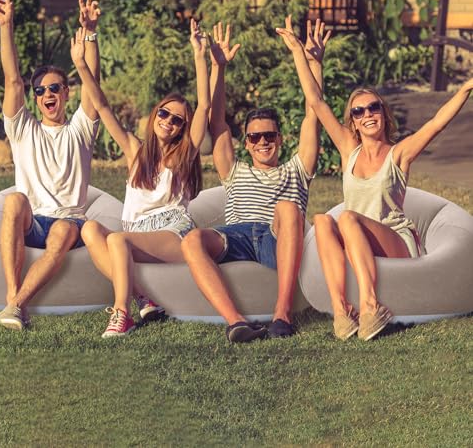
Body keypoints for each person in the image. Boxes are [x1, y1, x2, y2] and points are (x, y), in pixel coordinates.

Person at [276, 18, 473, 341]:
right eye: (359, 111)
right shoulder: (348, 150)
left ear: (383, 113)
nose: (367, 114)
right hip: (357, 237)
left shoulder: (399, 154)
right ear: (353, 122)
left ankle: (370, 305)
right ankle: (342, 311)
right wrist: (300, 53)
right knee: (323, 220)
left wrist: (465, 88)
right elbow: (316, 101)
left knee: (348, 218)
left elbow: (436, 124)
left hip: (396, 242)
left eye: (373, 108)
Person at [181, 19, 330, 343]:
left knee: (288, 208)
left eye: (269, 136)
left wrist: (312, 62)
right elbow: (217, 121)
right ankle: (236, 322)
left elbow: (314, 114)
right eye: (254, 137)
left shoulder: (297, 169)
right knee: (191, 240)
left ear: (280, 139)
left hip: (276, 238)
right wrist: (219, 67)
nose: (262, 142)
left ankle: (282, 314)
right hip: (235, 236)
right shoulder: (234, 170)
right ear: (246, 143)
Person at [70, 19, 210, 338]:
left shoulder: (184, 154)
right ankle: (144, 298)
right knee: (90, 229)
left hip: (172, 231)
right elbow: (101, 105)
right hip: (137, 233)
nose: (169, 121)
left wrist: (199, 55)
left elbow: (204, 106)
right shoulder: (135, 150)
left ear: (183, 128)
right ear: (155, 113)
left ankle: (122, 314)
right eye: (164, 113)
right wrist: (80, 64)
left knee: (117, 239)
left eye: (177, 120)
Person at [0, 0, 102, 330]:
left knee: (62, 231)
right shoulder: (23, 129)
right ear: (36, 98)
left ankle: (16, 305)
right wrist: (6, 25)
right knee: (13, 200)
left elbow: (94, 84)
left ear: (66, 93)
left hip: (69, 221)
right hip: (34, 221)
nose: (47, 94)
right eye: (40, 91)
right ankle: (13, 297)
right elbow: (13, 81)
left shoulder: (81, 129)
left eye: (55, 88)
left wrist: (89, 33)